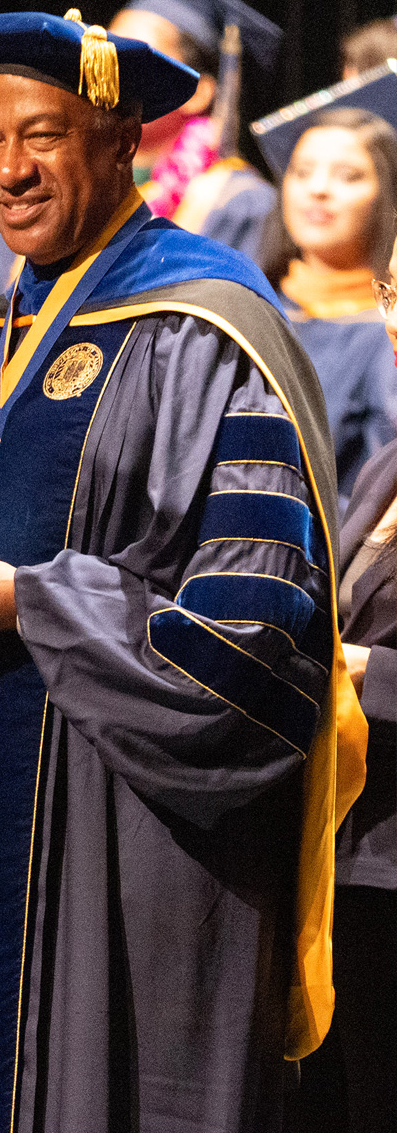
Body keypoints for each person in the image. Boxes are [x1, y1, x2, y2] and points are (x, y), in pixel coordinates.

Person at [0, 10, 365, 1133]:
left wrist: (34, 604)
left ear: (119, 139)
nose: (8, 168)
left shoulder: (207, 325)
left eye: (40, 134)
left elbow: (251, 632)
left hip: (130, 835)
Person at [0, 0, 280, 324]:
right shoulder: (32, 189)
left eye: (133, 56)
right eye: (105, 49)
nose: (110, 69)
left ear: (197, 92)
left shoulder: (239, 203)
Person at [290, 243, 397, 1133]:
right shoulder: (383, 463)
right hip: (347, 848)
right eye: (395, 289)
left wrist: (363, 670)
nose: (396, 319)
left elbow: (352, 652)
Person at [259, 106, 397, 510]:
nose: (318, 189)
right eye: (302, 172)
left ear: (386, 195)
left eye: (348, 176)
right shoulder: (248, 307)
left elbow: (377, 505)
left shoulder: (383, 337)